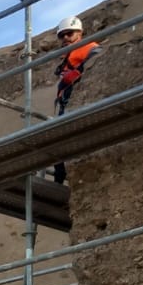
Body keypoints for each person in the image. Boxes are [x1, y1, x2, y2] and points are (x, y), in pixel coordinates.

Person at [51, 15, 101, 183]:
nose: (65, 38)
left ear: (79, 33)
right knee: (56, 145)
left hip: (79, 100)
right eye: (61, 35)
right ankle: (60, 181)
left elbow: (99, 60)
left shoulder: (89, 47)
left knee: (61, 141)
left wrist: (78, 71)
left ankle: (63, 181)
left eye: (69, 33)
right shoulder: (67, 58)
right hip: (67, 103)